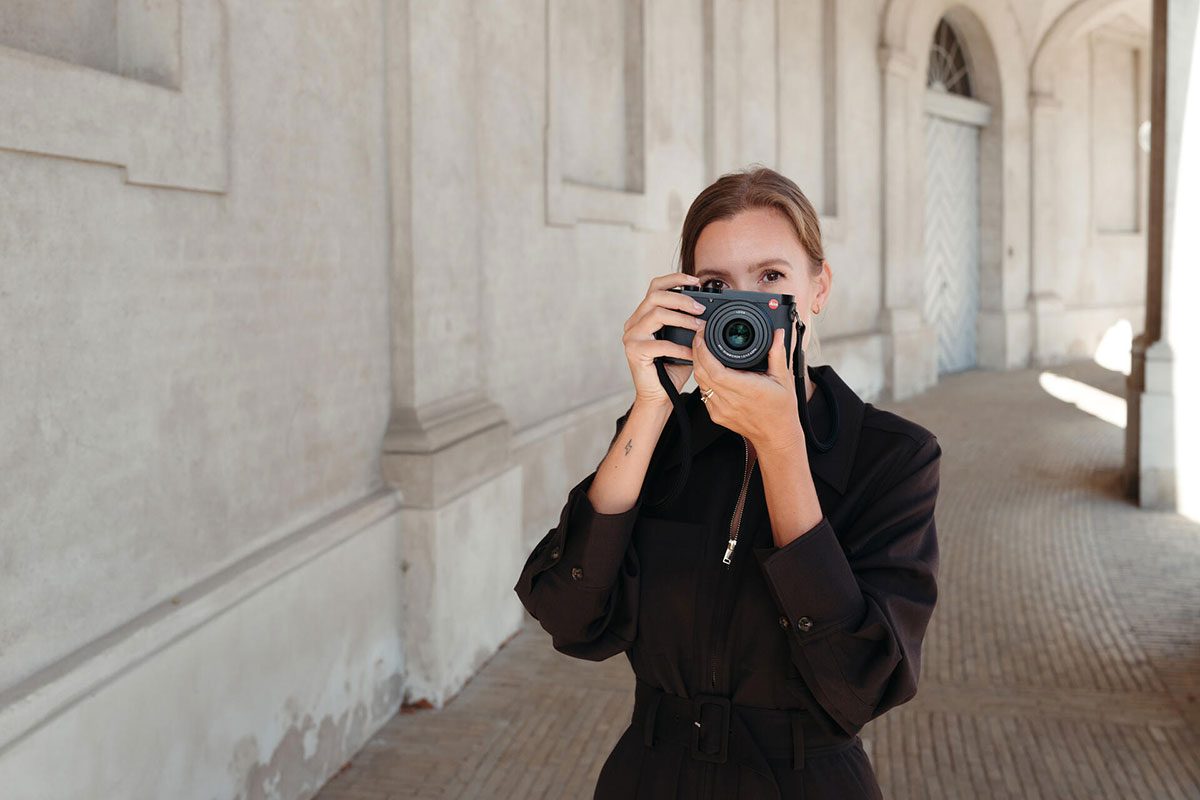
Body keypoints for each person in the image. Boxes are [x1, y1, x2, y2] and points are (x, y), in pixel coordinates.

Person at [513, 166, 941, 799]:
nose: (744, 308)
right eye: (716, 286)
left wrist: (781, 447)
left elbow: (858, 686)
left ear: (818, 288)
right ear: (687, 300)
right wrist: (651, 408)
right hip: (651, 778)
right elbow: (569, 616)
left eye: (771, 278)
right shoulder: (661, 439)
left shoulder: (892, 457)